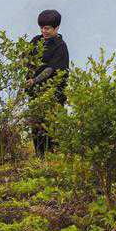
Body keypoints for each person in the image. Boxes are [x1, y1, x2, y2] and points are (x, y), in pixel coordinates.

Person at [24, 9, 69, 157]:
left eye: (48, 28)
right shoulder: (36, 40)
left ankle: (54, 160)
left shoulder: (60, 46)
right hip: (35, 93)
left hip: (53, 93)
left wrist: (35, 80)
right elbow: (26, 58)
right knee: (36, 127)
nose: (44, 31)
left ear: (56, 28)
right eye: (42, 28)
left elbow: (50, 70)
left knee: (52, 127)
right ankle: (39, 158)